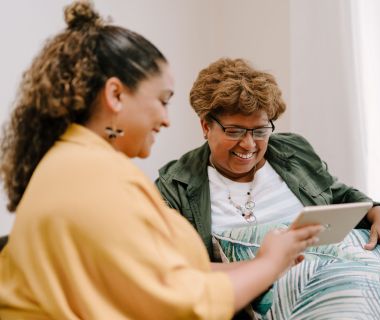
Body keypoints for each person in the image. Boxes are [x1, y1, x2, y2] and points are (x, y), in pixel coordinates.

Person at [0, 3, 323, 319]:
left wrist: (264, 262)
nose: (166, 120)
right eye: (161, 100)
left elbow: (156, 272)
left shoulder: (76, 163)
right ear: (115, 95)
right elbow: (183, 305)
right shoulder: (96, 176)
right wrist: (268, 265)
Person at [155, 58, 380, 319]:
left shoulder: (293, 152)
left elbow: (341, 196)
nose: (248, 145)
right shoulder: (176, 185)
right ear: (206, 126)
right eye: (234, 131)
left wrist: (378, 212)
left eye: (260, 131)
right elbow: (174, 271)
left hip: (347, 275)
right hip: (275, 295)